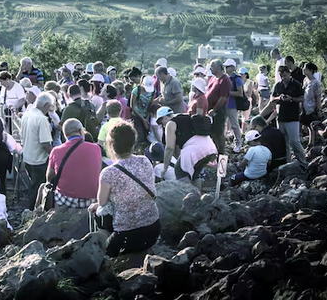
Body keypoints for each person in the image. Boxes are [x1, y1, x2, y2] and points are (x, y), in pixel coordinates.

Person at [88, 121, 160, 257]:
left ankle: (102, 245)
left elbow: (102, 202)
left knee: (97, 209)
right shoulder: (145, 161)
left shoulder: (108, 173)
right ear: (133, 142)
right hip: (153, 230)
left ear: (111, 145)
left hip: (126, 237)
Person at [156, 107, 217, 188]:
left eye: (161, 123)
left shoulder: (170, 124)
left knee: (180, 171)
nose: (163, 126)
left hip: (194, 150)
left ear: (165, 117)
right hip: (210, 147)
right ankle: (198, 197)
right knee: (195, 174)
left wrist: (165, 167)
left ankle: (188, 196)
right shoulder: (186, 116)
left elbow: (169, 148)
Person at [47, 118, 101, 208]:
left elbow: (49, 177)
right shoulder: (96, 148)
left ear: (65, 135)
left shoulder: (56, 151)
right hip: (91, 200)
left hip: (66, 199)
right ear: (80, 131)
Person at [21, 92, 54, 209]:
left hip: (27, 157)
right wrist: (55, 156)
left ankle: (31, 210)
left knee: (33, 186)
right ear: (45, 105)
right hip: (39, 159)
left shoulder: (27, 114)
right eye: (49, 106)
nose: (49, 110)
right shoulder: (41, 119)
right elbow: (45, 143)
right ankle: (34, 212)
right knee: (39, 189)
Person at [271, 66, 307, 168]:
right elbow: (272, 98)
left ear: (289, 73)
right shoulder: (278, 85)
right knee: (283, 142)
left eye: (285, 75)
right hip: (281, 116)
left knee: (295, 141)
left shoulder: (296, 84)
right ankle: (286, 162)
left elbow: (302, 98)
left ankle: (303, 162)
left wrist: (292, 99)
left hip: (293, 117)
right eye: (281, 76)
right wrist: (279, 97)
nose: (283, 78)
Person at [206, 59, 231, 154]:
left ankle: (221, 156)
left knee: (219, 133)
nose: (210, 68)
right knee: (212, 133)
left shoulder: (225, 79)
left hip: (219, 110)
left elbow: (223, 98)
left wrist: (214, 109)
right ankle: (214, 154)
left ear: (218, 67)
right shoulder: (213, 78)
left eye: (212, 66)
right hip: (210, 110)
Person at [223, 59, 245, 154]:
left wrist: (228, 93)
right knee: (223, 124)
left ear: (233, 67)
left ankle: (238, 144)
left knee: (234, 125)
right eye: (226, 67)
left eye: (228, 67)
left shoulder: (237, 78)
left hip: (232, 104)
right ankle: (223, 142)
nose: (226, 68)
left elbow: (240, 93)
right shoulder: (225, 77)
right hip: (225, 104)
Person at [130, 76, 156, 145]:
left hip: (146, 115)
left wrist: (147, 117)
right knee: (139, 136)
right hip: (136, 115)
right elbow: (132, 106)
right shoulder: (136, 91)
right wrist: (142, 119)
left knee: (147, 134)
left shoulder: (153, 91)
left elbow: (150, 105)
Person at [301, 62, 322, 146]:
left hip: (312, 106)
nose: (303, 70)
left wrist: (318, 109)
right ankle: (310, 142)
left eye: (305, 69)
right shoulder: (305, 80)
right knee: (308, 125)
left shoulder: (315, 82)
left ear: (311, 70)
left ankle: (312, 142)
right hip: (305, 106)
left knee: (312, 125)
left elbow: (318, 96)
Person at [239, 67, 256, 132]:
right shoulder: (238, 81)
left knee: (245, 118)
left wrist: (241, 93)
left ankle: (243, 132)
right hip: (239, 101)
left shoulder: (250, 82)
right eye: (240, 74)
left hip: (246, 101)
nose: (241, 75)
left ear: (246, 74)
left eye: (242, 74)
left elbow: (249, 94)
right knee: (239, 117)